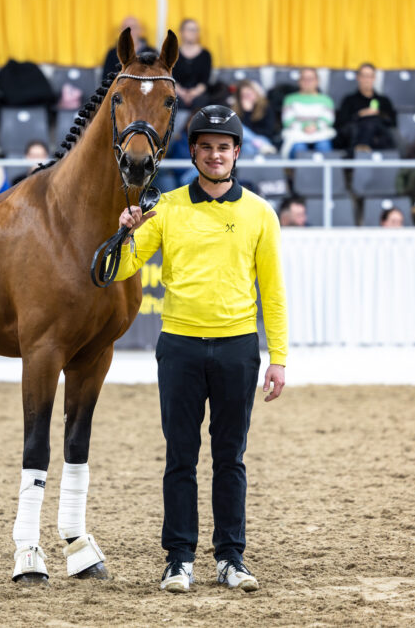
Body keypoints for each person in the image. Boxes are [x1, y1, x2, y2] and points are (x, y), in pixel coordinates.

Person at [114, 105, 287, 594]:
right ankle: (179, 558)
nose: (215, 155)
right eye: (206, 146)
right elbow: (121, 270)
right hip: (180, 348)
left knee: (230, 457)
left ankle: (231, 558)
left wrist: (279, 358)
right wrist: (126, 228)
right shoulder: (164, 207)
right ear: (193, 152)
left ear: (236, 153)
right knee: (180, 456)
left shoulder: (259, 212)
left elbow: (272, 292)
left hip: (237, 348)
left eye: (224, 147)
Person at [336, 63, 396, 152]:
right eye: (364, 76)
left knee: (372, 122)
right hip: (355, 135)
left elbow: (393, 122)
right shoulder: (349, 100)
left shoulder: (383, 101)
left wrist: (378, 114)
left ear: (374, 78)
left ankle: (362, 149)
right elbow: (341, 124)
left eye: (369, 76)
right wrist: (359, 114)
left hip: (379, 137)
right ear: (358, 77)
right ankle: (363, 148)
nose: (366, 80)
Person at [280, 69, 335, 158]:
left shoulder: (326, 100)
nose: (307, 82)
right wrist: (304, 127)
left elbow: (328, 120)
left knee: (324, 146)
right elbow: (287, 120)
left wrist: (315, 126)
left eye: (311, 79)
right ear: (299, 81)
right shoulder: (290, 99)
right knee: (299, 147)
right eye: (304, 79)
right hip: (296, 135)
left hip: (320, 134)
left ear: (317, 81)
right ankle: (299, 172)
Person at [173, 19, 212, 109]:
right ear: (181, 32)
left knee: (202, 101)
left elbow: (204, 81)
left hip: (198, 94)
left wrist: (192, 94)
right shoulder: (173, 53)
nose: (193, 33)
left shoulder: (205, 54)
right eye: (190, 29)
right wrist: (182, 93)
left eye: (195, 30)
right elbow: (171, 77)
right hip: (178, 92)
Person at [232, 80, 278, 156]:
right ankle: (259, 144)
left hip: (263, 139)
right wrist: (247, 112)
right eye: (244, 95)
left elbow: (269, 130)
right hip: (246, 142)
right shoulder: (237, 109)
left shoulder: (266, 107)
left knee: (248, 146)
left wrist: (254, 137)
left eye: (249, 94)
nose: (248, 97)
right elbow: (237, 134)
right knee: (240, 130)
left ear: (256, 93)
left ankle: (258, 143)